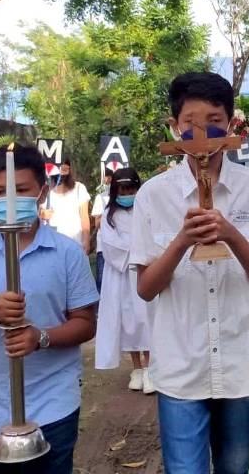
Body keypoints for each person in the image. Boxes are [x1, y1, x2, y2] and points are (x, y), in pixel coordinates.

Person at [130, 72, 249, 474]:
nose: (202, 131)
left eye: (214, 118)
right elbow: (146, 288)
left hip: (238, 361)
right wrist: (182, 240)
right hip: (181, 363)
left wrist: (231, 234)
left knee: (235, 466)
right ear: (174, 126)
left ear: (232, 124)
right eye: (190, 121)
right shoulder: (154, 194)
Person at [0, 145, 99, 474]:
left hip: (54, 400)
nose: (10, 200)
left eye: (21, 190)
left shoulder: (67, 254)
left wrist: (40, 337)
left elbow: (85, 323)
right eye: (0, 192)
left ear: (42, 192)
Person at [95, 167, 153, 394]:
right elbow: (111, 246)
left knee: (145, 318)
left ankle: (150, 368)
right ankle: (136, 367)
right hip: (120, 276)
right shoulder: (109, 215)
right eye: (123, 190)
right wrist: (136, 252)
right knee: (128, 321)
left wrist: (143, 256)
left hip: (144, 271)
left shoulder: (148, 210)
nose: (128, 194)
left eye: (132, 189)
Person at [40, 159, 92, 253]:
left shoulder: (79, 188)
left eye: (64, 169)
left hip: (76, 245)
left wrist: (86, 241)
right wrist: (42, 214)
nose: (61, 173)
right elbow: (36, 213)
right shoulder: (45, 190)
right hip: (52, 246)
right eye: (58, 169)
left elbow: (84, 217)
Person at [90, 168, 115, 290]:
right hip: (104, 246)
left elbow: (98, 223)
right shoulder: (101, 197)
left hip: (119, 247)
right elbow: (97, 223)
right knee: (103, 281)